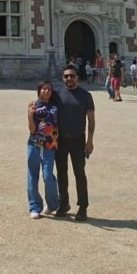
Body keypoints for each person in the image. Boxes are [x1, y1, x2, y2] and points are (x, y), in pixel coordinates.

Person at [54, 63, 95, 221]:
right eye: (66, 76)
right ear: (63, 78)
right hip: (61, 139)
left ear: (77, 77)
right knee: (61, 173)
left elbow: (91, 120)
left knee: (80, 174)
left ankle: (83, 207)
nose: (69, 78)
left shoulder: (86, 95)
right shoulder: (57, 94)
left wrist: (89, 141)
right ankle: (64, 204)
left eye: (72, 75)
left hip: (78, 138)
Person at [26, 81, 60, 218]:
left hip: (50, 145)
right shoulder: (34, 105)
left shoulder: (56, 105)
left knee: (47, 175)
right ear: (39, 90)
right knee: (32, 175)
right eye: (44, 89)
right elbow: (32, 129)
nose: (46, 91)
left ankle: (52, 204)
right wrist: (30, 115)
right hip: (34, 144)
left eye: (49, 89)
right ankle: (35, 206)